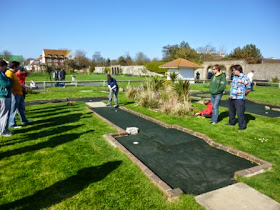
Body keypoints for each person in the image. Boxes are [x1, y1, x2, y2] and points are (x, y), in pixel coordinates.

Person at [5, 61, 32, 128]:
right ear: (14, 67)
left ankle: (24, 120)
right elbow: (8, 84)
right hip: (15, 94)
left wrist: (22, 86)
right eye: (18, 67)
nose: (19, 68)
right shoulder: (9, 73)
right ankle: (12, 124)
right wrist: (13, 92)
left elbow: (16, 83)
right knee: (13, 109)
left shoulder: (13, 73)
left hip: (19, 93)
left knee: (21, 108)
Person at [226, 65, 251, 130]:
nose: (233, 71)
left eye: (234, 70)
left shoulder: (245, 77)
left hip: (239, 98)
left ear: (238, 70)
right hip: (232, 97)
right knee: (231, 111)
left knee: (240, 112)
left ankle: (242, 126)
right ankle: (231, 122)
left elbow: (248, 89)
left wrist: (244, 94)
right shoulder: (234, 77)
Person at [0, 60, 13, 136]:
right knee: (3, 114)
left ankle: (5, 128)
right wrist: (8, 82)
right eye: (5, 66)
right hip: (3, 96)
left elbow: (10, 81)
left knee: (6, 114)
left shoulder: (2, 74)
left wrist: (9, 81)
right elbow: (6, 83)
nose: (6, 68)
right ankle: (2, 131)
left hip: (6, 96)